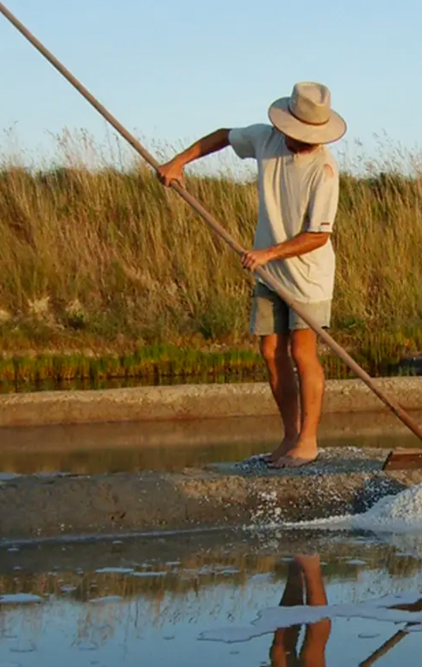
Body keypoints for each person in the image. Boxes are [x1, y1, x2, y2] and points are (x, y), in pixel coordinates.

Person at [157, 82, 346, 469]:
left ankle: (308, 441)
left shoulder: (324, 170)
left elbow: (318, 234)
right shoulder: (265, 139)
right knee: (270, 351)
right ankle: (289, 436)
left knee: (301, 351)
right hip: (268, 271)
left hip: (307, 276)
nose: (302, 142)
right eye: (298, 135)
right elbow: (224, 137)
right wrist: (179, 162)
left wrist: (269, 252)